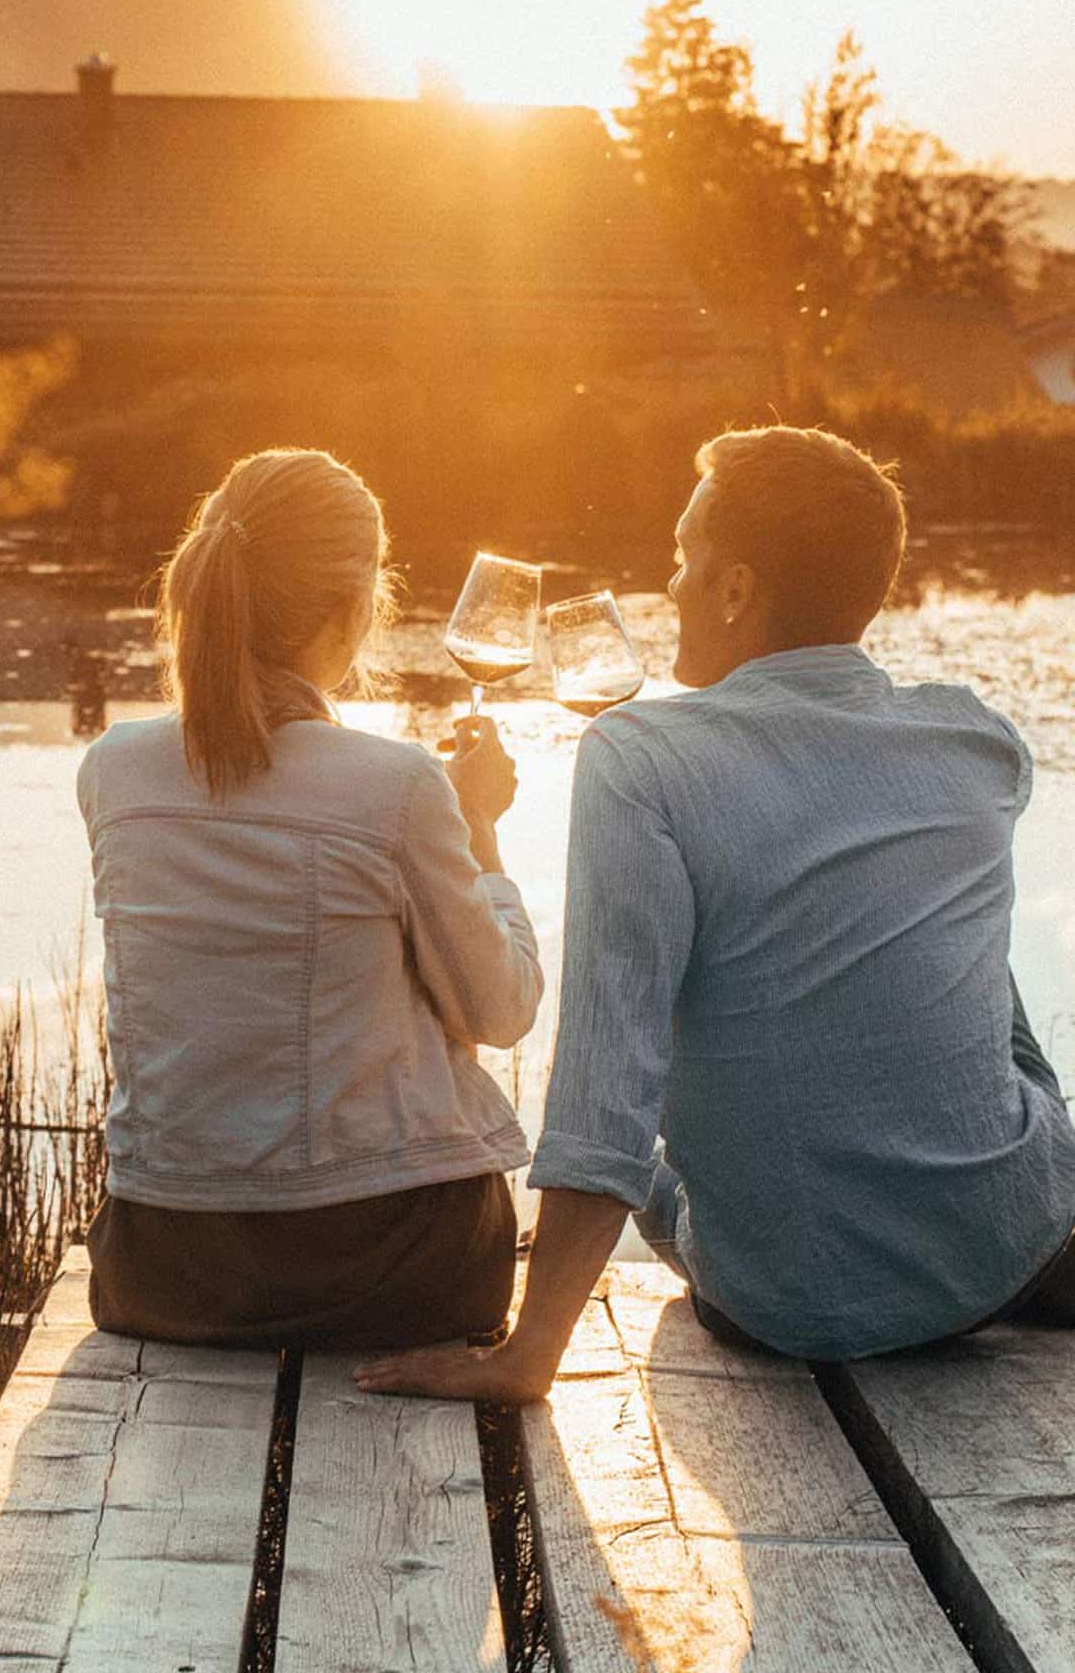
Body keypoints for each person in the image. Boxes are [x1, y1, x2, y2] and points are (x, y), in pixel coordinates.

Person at [355, 424, 1075, 1401]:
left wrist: (531, 1355)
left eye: (682, 561)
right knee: (973, 984)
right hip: (1004, 1255)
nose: (670, 589)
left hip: (788, 1303)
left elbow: (609, 1070)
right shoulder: (977, 740)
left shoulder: (639, 757)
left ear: (735, 589)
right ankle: (982, 1206)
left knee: (663, 1161)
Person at [78, 447, 543, 1349]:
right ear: (355, 609)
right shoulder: (398, 787)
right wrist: (478, 830)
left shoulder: (112, 772)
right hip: (395, 1269)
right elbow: (501, 1010)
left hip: (170, 1266)